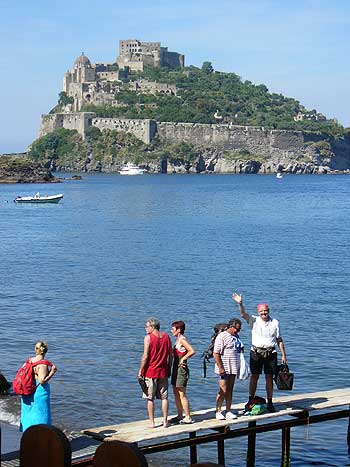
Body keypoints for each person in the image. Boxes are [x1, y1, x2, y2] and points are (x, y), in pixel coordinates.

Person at [232, 292, 287, 412]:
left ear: (269, 311)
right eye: (261, 311)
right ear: (258, 312)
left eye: (265, 311)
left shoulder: (275, 323)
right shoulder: (254, 320)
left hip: (271, 353)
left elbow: (279, 339)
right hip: (256, 352)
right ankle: (250, 400)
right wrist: (240, 303)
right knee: (254, 377)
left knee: (269, 378)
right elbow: (242, 314)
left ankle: (270, 402)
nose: (264, 313)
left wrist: (283, 354)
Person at [138, 317, 172, 428]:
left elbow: (145, 356)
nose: (145, 328)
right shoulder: (166, 337)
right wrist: (169, 368)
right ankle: (165, 421)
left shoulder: (148, 338)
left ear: (152, 327)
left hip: (150, 371)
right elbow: (170, 356)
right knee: (164, 397)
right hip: (163, 371)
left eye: (146, 326)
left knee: (150, 398)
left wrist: (140, 370)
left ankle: (152, 422)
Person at [20, 341, 57, 432]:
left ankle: (28, 435)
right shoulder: (43, 364)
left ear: (35, 350)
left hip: (27, 390)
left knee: (28, 414)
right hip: (39, 392)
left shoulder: (28, 361)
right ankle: (42, 435)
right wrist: (52, 372)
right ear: (45, 351)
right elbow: (42, 380)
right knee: (42, 415)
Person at [213, 318, 243, 420]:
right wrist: (220, 367)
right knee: (223, 390)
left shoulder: (235, 336)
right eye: (237, 329)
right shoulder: (222, 336)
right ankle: (218, 410)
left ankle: (228, 410)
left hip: (233, 367)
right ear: (231, 327)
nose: (238, 331)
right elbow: (216, 353)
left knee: (230, 389)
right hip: (224, 367)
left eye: (239, 329)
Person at [170, 320, 196, 424]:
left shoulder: (182, 340)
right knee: (175, 392)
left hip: (181, 370)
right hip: (175, 368)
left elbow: (192, 351)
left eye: (173, 329)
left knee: (182, 393)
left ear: (179, 329)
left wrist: (183, 359)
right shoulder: (177, 340)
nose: (171, 330)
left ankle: (188, 417)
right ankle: (180, 415)